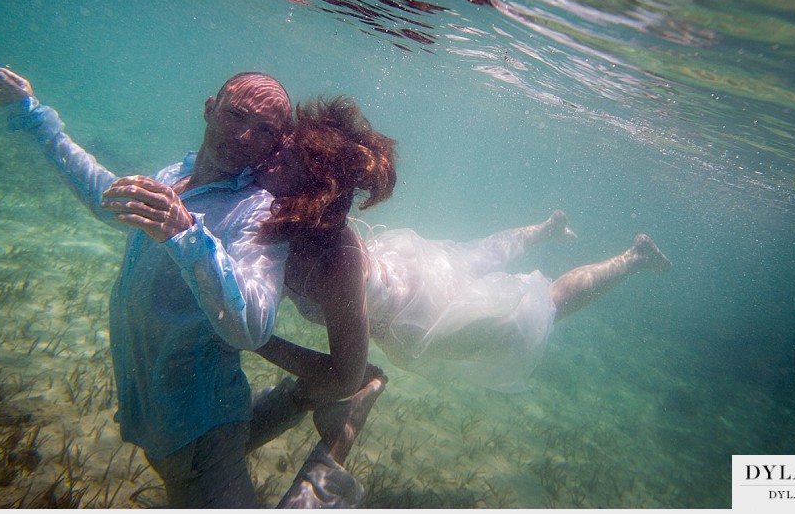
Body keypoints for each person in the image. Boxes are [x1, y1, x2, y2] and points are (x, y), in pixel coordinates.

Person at [0, 66, 312, 507]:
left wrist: (187, 234)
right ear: (209, 110)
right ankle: (317, 392)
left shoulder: (256, 210)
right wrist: (34, 117)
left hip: (200, 432)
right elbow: (106, 199)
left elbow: (253, 328)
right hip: (159, 418)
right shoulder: (175, 176)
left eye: (264, 130)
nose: (245, 137)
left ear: (277, 144)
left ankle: (328, 460)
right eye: (236, 116)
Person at [253, 95, 673, 397]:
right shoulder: (298, 217)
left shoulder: (336, 268)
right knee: (479, 253)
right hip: (408, 268)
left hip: (427, 317)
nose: (266, 162)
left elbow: (346, 378)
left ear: (318, 188)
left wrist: (256, 339)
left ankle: (634, 258)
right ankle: (548, 228)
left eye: (284, 160)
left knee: (545, 306)